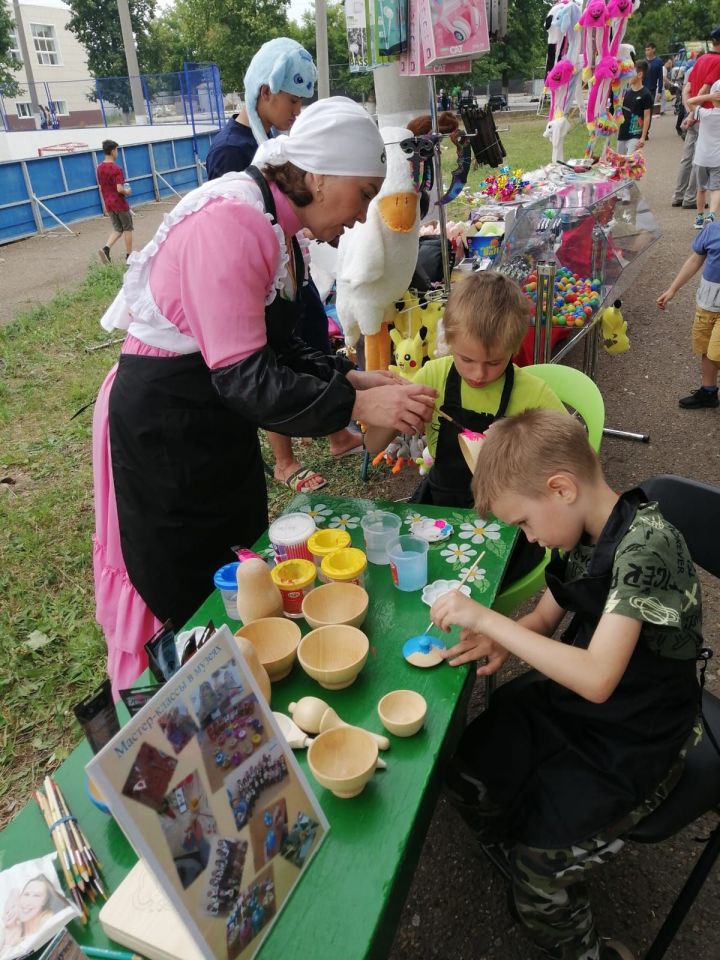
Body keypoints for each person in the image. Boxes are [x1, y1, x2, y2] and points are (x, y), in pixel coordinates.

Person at [93, 97, 437, 694]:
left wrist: (352, 378)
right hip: (165, 425)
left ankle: (240, 681)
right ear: (320, 175)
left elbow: (277, 347)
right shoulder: (232, 223)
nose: (363, 218)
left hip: (212, 414)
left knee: (235, 554)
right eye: (364, 193)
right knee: (184, 577)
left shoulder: (279, 228)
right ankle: (186, 698)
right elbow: (247, 378)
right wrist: (356, 405)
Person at [430, 409, 703, 960]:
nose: (528, 536)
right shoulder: (585, 530)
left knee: (536, 873)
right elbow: (542, 622)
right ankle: (521, 829)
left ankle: (588, 950)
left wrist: (490, 621)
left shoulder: (647, 547)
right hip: (583, 702)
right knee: (466, 772)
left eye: (525, 523)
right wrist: (502, 640)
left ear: (560, 489)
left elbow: (600, 678)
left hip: (640, 732)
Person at [206, 38, 362, 493]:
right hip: (256, 290)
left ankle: (332, 428)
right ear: (264, 92)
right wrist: (362, 403)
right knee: (273, 353)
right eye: (292, 100)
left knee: (305, 335)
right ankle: (285, 458)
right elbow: (254, 366)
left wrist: (353, 383)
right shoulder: (230, 159)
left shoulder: (272, 144)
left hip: (294, 272)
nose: (297, 110)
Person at [657, 216, 720, 408]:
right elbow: (694, 261)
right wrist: (672, 289)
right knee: (706, 348)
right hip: (707, 304)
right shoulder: (712, 230)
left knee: (716, 352)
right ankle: (708, 392)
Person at [671, 27, 720, 209]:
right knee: (699, 158)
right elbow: (704, 90)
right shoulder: (718, 62)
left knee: (687, 156)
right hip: (707, 116)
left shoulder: (701, 60)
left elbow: (687, 88)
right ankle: (690, 198)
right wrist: (693, 114)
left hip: (695, 113)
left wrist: (689, 110)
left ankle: (679, 194)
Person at [0, 875, 72, 957]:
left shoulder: (49, 925)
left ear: (44, 901)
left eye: (36, 896)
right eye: (26, 894)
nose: (28, 902)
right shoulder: (8, 929)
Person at [686, 79, 720, 228]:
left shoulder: (705, 113)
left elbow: (690, 101)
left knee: (701, 189)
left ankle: (699, 217)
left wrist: (708, 96)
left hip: (701, 158)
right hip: (717, 159)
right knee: (716, 189)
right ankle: (711, 215)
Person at [96, 139, 133, 265]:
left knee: (118, 229)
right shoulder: (116, 169)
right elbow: (119, 188)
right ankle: (129, 257)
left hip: (108, 203)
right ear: (112, 151)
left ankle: (105, 249)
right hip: (119, 203)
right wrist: (127, 191)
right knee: (128, 228)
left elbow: (101, 187)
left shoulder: (99, 168)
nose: (117, 153)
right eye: (117, 150)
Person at [616, 59, 652, 155]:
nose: (628, 76)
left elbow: (647, 116)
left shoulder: (646, 94)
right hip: (623, 133)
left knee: (630, 163)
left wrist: (643, 137)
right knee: (619, 163)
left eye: (631, 73)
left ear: (640, 75)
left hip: (635, 135)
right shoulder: (626, 92)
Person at [644, 43, 664, 115]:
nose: (647, 52)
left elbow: (660, 77)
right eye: (646, 50)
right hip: (642, 88)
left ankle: (647, 125)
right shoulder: (643, 62)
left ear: (653, 49)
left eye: (648, 50)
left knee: (649, 110)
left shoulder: (658, 62)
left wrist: (659, 91)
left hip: (652, 89)